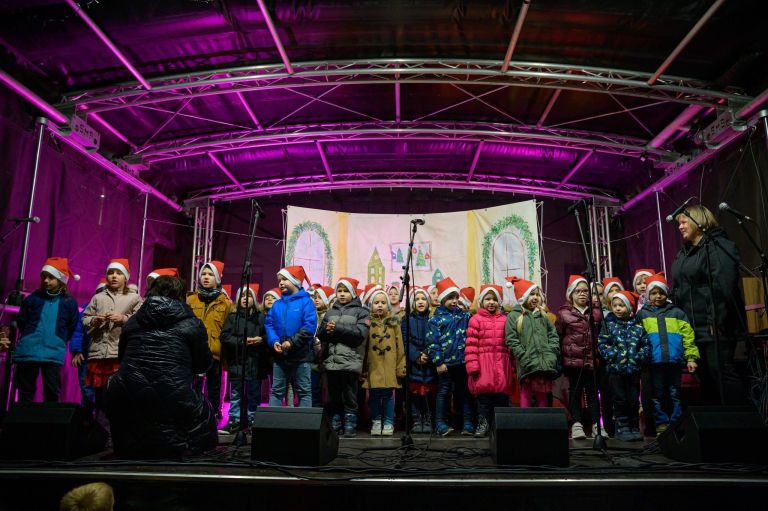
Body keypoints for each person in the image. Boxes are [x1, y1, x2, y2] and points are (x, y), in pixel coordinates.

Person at [106, 276, 217, 458]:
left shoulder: (133, 321)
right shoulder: (193, 324)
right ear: (181, 295)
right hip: (176, 394)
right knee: (201, 411)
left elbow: (122, 358)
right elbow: (202, 365)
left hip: (129, 393)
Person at [671, 204, 749, 405]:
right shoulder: (685, 252)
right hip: (693, 327)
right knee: (704, 376)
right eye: (679, 223)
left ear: (699, 221)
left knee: (721, 372)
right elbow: (679, 287)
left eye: (684, 222)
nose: (680, 227)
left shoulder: (718, 246)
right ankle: (716, 420)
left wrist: (716, 319)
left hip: (715, 326)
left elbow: (723, 286)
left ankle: (741, 417)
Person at [636, 273, 699, 436]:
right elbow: (637, 338)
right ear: (648, 295)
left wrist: (691, 357)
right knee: (657, 394)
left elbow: (688, 337)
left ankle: (676, 422)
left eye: (661, 292)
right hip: (654, 362)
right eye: (654, 293)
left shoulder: (677, 313)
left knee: (674, 393)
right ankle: (662, 424)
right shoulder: (642, 314)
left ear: (667, 293)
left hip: (674, 361)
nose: (658, 296)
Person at [82, 258, 142, 425]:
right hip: (99, 353)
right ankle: (101, 428)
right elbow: (85, 319)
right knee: (100, 395)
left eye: (118, 273)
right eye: (110, 273)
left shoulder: (134, 298)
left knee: (119, 394)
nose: (114, 276)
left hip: (119, 353)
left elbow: (141, 320)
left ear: (126, 277)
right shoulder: (98, 297)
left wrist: (123, 318)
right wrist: (94, 320)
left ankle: (119, 428)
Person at [12, 257, 79, 402]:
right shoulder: (33, 299)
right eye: (44, 277)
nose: (46, 281)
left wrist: (59, 338)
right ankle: (24, 415)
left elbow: (72, 325)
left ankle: (49, 417)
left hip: (53, 351)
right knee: (25, 389)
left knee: (52, 390)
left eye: (51, 277)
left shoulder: (69, 302)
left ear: (61, 280)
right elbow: (22, 320)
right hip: (29, 350)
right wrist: (29, 335)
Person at [318, 277, 369, 436]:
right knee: (334, 395)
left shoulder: (362, 312)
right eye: (339, 291)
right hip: (332, 361)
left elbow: (360, 334)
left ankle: (350, 422)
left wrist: (337, 328)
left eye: (345, 291)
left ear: (353, 293)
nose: (341, 294)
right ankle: (336, 420)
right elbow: (320, 334)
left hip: (350, 361)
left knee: (349, 395)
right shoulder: (330, 312)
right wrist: (327, 330)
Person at [555, 275, 605, 439]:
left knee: (592, 393)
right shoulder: (564, 314)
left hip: (591, 361)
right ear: (571, 294)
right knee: (575, 393)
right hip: (573, 362)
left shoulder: (596, 313)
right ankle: (576, 424)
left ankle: (596, 425)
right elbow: (559, 336)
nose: (582, 294)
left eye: (585, 291)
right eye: (578, 291)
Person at [598, 291, 650, 441]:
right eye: (615, 305)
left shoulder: (638, 327)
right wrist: (614, 356)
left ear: (629, 307)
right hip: (616, 370)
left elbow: (646, 345)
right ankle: (622, 427)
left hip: (633, 370)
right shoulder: (608, 325)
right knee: (619, 399)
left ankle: (634, 426)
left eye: (621, 305)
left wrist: (638, 357)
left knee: (633, 399)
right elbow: (602, 344)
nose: (618, 308)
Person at [465, 285, 514, 437]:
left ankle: (500, 426)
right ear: (481, 301)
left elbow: (510, 344)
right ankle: (483, 423)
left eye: (494, 299)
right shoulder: (475, 319)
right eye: (487, 299)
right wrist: (472, 365)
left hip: (501, 364)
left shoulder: (505, 320)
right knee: (484, 400)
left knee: (501, 398)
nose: (491, 302)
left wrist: (512, 367)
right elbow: (471, 345)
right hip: (483, 365)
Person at [265, 265, 317, 408]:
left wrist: (292, 342)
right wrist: (274, 340)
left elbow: (309, 326)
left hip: (301, 355)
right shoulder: (277, 305)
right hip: (280, 355)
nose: (281, 283)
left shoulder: (306, 302)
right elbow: (269, 324)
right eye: (279, 280)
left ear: (295, 282)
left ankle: (303, 422)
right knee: (276, 391)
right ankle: (273, 420)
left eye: (284, 279)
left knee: (304, 391)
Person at [427, 277, 473, 436]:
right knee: (443, 392)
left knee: (465, 392)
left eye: (456, 297)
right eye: (450, 298)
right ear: (442, 299)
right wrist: (439, 362)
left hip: (462, 362)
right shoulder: (435, 319)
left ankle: (468, 423)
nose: (454, 301)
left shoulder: (464, 316)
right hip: (445, 364)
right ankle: (440, 423)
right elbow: (433, 342)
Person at [220, 284, 268, 433]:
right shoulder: (232, 317)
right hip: (238, 361)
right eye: (242, 296)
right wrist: (242, 341)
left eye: (248, 296)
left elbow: (269, 335)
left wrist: (261, 339)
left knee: (254, 394)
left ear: (254, 299)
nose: (245, 299)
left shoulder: (261, 317)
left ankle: (253, 421)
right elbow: (224, 337)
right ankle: (234, 421)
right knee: (236, 394)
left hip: (255, 362)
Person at [505, 277, 560, 409]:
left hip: (544, 362)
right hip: (527, 363)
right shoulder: (514, 316)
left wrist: (551, 353)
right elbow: (511, 339)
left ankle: (542, 420)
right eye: (531, 294)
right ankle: (526, 419)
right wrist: (523, 356)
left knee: (542, 394)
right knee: (526, 393)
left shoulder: (543, 315)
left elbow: (553, 335)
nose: (535, 297)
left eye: (537, 294)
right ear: (523, 296)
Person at [187, 260, 231, 420]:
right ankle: (192, 415)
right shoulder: (191, 299)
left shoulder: (225, 303)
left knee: (214, 386)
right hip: (193, 351)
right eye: (203, 274)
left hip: (214, 352)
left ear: (217, 278)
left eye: (210, 274)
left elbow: (227, 329)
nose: (206, 277)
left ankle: (212, 415)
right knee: (193, 386)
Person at [362, 287, 405, 436]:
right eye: (376, 303)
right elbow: (364, 347)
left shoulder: (394, 323)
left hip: (389, 364)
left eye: (383, 302)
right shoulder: (367, 323)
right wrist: (363, 368)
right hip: (373, 365)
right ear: (371, 305)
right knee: (374, 395)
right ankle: (376, 420)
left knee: (388, 395)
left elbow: (400, 346)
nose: (380, 305)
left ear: (388, 305)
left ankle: (388, 421)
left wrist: (400, 365)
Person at [402, 287, 437, 434]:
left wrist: (427, 353)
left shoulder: (433, 319)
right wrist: (416, 355)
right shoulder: (406, 320)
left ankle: (428, 418)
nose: (420, 302)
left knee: (429, 392)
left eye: (423, 299)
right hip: (414, 363)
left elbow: (435, 339)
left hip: (429, 362)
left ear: (428, 302)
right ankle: (416, 419)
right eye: (417, 299)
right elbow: (405, 340)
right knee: (414, 393)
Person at [70, 279, 107, 412]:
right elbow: (77, 331)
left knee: (103, 389)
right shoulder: (87, 310)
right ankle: (87, 415)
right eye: (100, 293)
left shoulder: (114, 312)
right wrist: (76, 351)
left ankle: (100, 417)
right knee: (86, 387)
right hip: (86, 355)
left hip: (104, 356)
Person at [311, 285, 335, 407]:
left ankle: (328, 412)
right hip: (313, 359)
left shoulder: (330, 316)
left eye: (320, 297)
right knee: (314, 387)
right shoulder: (312, 315)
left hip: (326, 357)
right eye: (315, 297)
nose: (316, 300)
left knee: (328, 388)